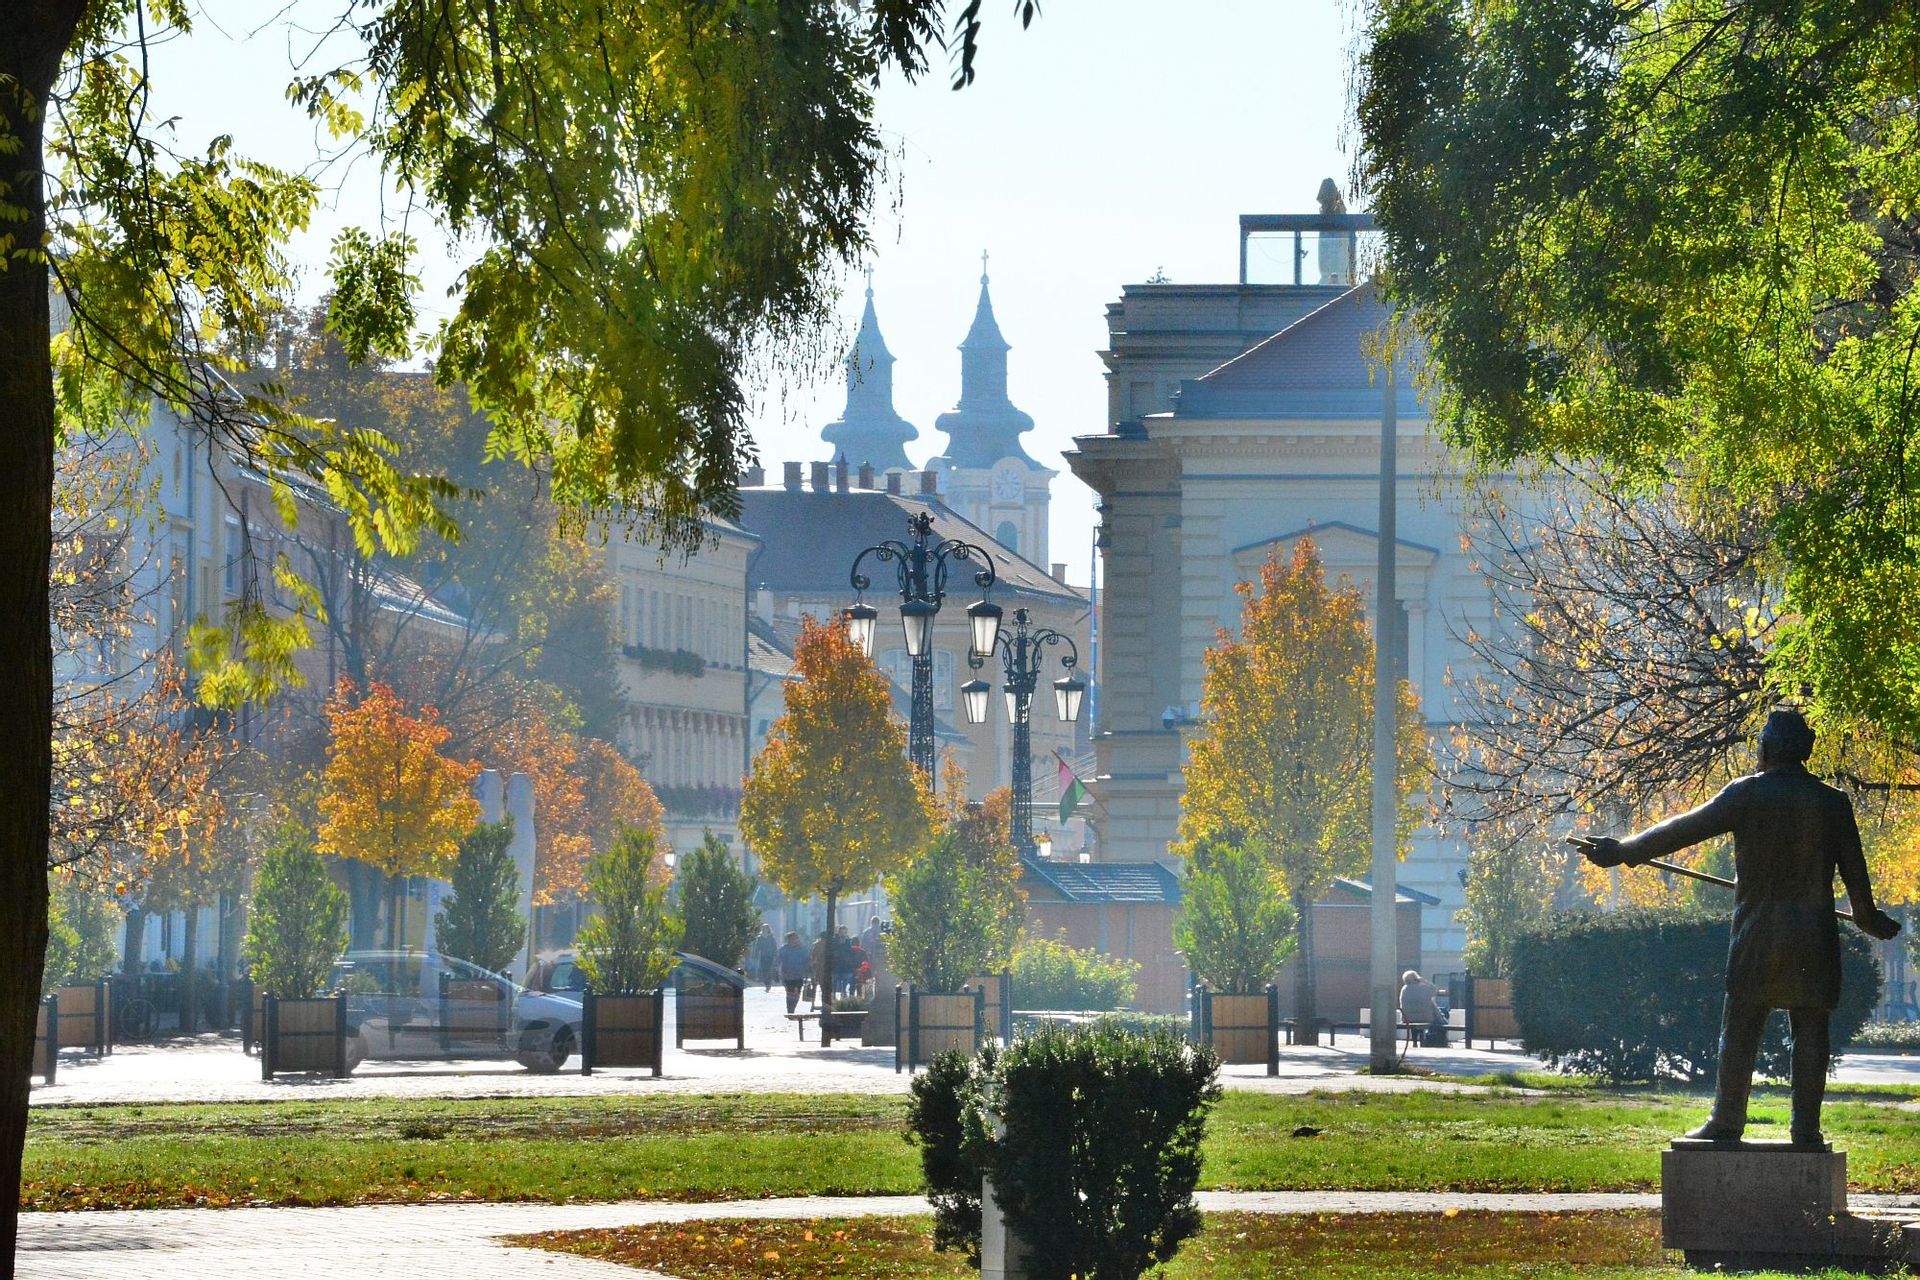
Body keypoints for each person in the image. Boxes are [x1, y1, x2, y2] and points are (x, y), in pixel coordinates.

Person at [1573, 708, 1901, 1145]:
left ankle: (1726, 1122)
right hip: (1813, 936)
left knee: (1742, 1026)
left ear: (1767, 748)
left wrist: (1625, 850)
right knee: (1811, 1030)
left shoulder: (1747, 794)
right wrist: (1870, 919)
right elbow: (1857, 883)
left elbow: (1681, 829)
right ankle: (1806, 1131)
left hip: (1759, 934)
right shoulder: (1832, 802)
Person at [1398, 969, 1442, 1047]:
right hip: (1426, 1017)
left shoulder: (1404, 989)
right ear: (1416, 978)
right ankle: (1424, 1039)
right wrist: (1424, 981)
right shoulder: (1424, 988)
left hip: (1407, 1018)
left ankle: (1414, 1041)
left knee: (1414, 1019)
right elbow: (1435, 990)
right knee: (1438, 1018)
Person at [776, 930, 810, 1015]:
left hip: (799, 974)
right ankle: (790, 1010)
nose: (794, 940)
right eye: (792, 939)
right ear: (788, 940)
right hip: (787, 975)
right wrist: (776, 969)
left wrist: (808, 969)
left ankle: (793, 1006)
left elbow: (807, 960)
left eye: (795, 938)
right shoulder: (783, 949)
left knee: (798, 992)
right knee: (789, 992)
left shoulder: (802, 949)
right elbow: (778, 960)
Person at [748, 924, 776, 991]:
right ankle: (766, 984)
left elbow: (774, 947)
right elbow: (757, 947)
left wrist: (775, 955)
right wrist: (755, 954)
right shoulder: (760, 937)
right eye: (764, 928)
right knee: (764, 970)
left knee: (769, 970)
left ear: (769, 929)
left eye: (766, 928)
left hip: (770, 956)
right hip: (763, 956)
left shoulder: (771, 937)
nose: (765, 929)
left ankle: (768, 984)